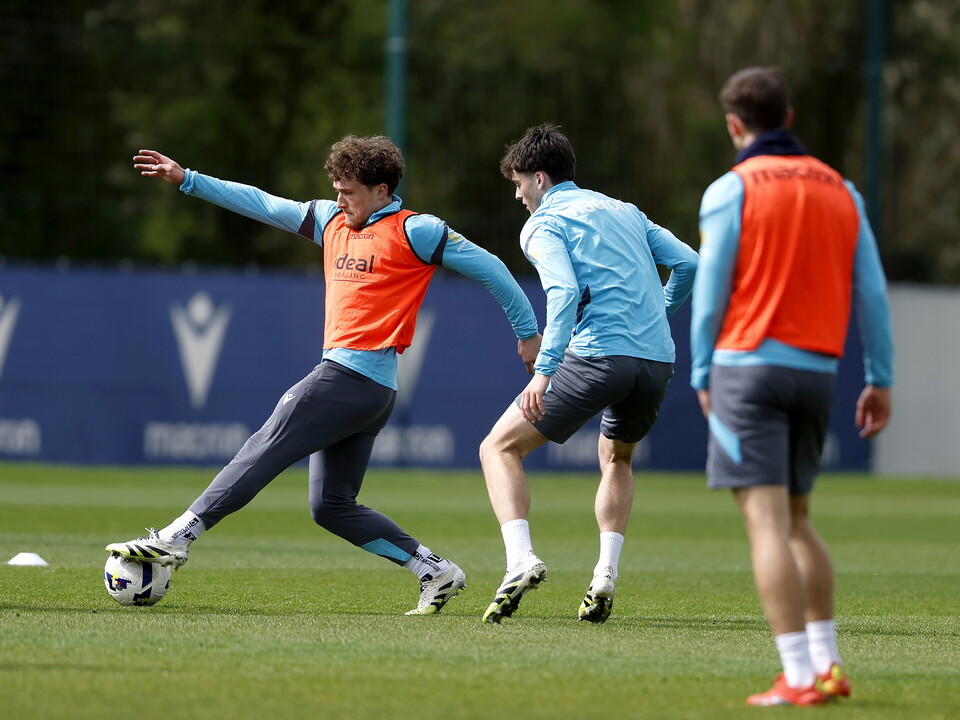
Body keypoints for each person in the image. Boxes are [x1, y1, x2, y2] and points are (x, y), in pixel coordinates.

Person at [107, 135, 542, 615]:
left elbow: (494, 269)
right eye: (336, 189)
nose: (340, 200)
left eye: (349, 191)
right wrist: (187, 180)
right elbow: (261, 203)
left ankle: (177, 537)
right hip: (367, 390)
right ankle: (433, 569)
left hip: (351, 379)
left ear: (381, 190)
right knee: (330, 506)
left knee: (265, 442)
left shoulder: (416, 230)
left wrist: (527, 334)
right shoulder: (331, 219)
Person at [691, 67, 893, 706]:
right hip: (819, 373)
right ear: (790, 116)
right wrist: (880, 378)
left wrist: (701, 371)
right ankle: (827, 664)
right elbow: (875, 294)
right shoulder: (843, 190)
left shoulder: (732, 189)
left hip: (747, 369)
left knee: (767, 525)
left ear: (734, 125)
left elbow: (711, 289)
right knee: (800, 521)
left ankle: (798, 675)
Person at [479, 123, 699, 624]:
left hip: (598, 356)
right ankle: (604, 576)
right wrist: (657, 317)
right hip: (656, 361)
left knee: (498, 447)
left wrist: (544, 371)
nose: (517, 195)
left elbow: (560, 294)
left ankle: (520, 562)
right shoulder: (626, 210)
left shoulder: (542, 225)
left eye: (518, 184)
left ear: (539, 178)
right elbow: (690, 264)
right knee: (616, 459)